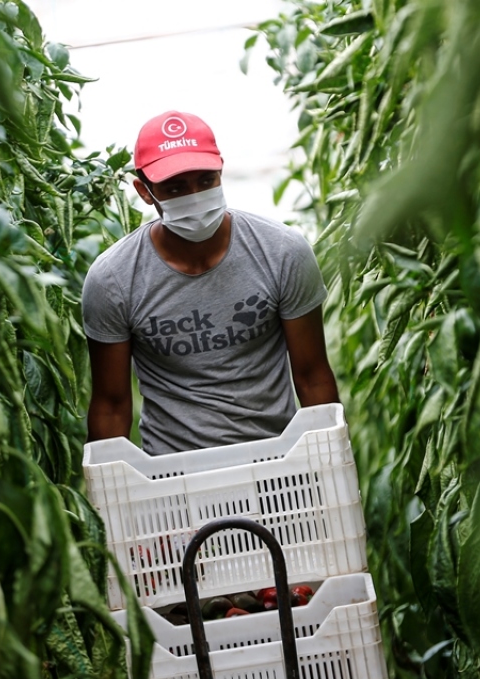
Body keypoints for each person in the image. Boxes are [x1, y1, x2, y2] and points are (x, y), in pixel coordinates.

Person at [82, 110, 339, 455]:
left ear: (221, 172)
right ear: (145, 192)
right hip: (175, 474)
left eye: (205, 180)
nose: (194, 196)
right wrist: (107, 493)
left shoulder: (281, 252)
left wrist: (330, 461)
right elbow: (111, 406)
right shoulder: (114, 280)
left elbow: (313, 377)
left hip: (279, 461)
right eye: (175, 188)